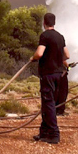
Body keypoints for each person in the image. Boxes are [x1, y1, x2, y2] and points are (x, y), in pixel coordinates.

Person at [30, 12, 69, 144]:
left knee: (49, 103)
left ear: (44, 23)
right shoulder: (60, 36)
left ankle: (53, 134)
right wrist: (57, 58)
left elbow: (39, 53)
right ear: (54, 23)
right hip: (59, 74)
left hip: (48, 74)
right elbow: (67, 56)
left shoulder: (45, 36)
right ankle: (44, 132)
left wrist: (33, 58)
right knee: (48, 103)